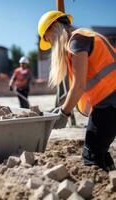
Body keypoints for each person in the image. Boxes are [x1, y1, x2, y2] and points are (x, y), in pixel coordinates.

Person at [38, 11, 116, 171]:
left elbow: (79, 86)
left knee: (91, 157)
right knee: (100, 150)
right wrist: (62, 107)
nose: (51, 44)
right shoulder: (85, 36)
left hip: (109, 104)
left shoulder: (77, 41)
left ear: (54, 28)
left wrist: (64, 114)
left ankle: (100, 192)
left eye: (48, 39)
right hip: (110, 103)